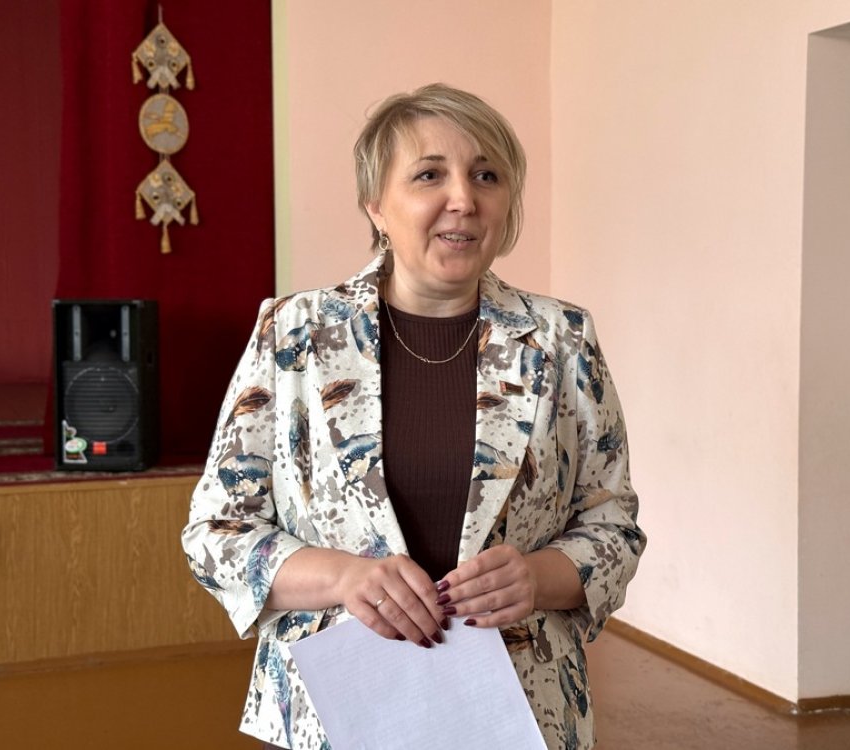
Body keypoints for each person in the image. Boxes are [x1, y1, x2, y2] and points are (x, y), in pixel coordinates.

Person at [181, 83, 645, 750]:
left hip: (520, 710)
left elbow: (613, 528)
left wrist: (536, 578)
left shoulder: (562, 337)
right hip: (338, 711)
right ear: (376, 204)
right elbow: (216, 533)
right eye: (430, 175)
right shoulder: (294, 332)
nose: (463, 198)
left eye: (486, 175)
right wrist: (344, 577)